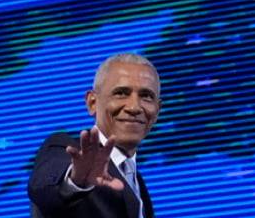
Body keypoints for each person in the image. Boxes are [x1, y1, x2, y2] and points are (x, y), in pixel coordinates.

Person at [28, 53, 162, 218]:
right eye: (121, 93)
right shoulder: (65, 148)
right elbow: (43, 188)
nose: (134, 107)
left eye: (146, 96)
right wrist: (75, 181)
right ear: (92, 103)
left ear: (157, 110)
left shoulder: (136, 180)